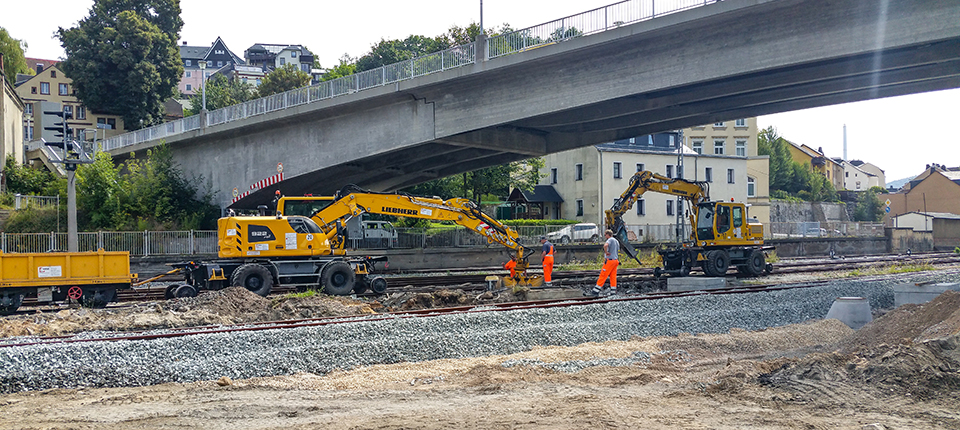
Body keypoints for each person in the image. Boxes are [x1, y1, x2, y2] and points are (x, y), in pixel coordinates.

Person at [588, 229, 619, 297]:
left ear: (608, 235)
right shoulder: (616, 241)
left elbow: (605, 245)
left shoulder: (610, 240)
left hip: (610, 261)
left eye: (605, 235)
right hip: (615, 261)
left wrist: (606, 252)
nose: (605, 236)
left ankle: (595, 292)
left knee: (603, 275)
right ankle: (613, 292)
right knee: (613, 277)